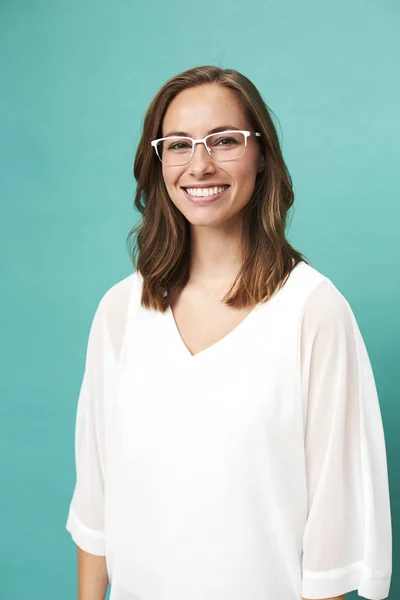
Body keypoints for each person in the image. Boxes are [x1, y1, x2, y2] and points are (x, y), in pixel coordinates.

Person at [65, 65, 392, 600]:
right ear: (158, 161)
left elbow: (332, 539)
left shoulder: (313, 312)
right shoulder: (121, 311)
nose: (200, 164)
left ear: (262, 155)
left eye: (224, 140)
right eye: (178, 145)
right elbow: (97, 505)